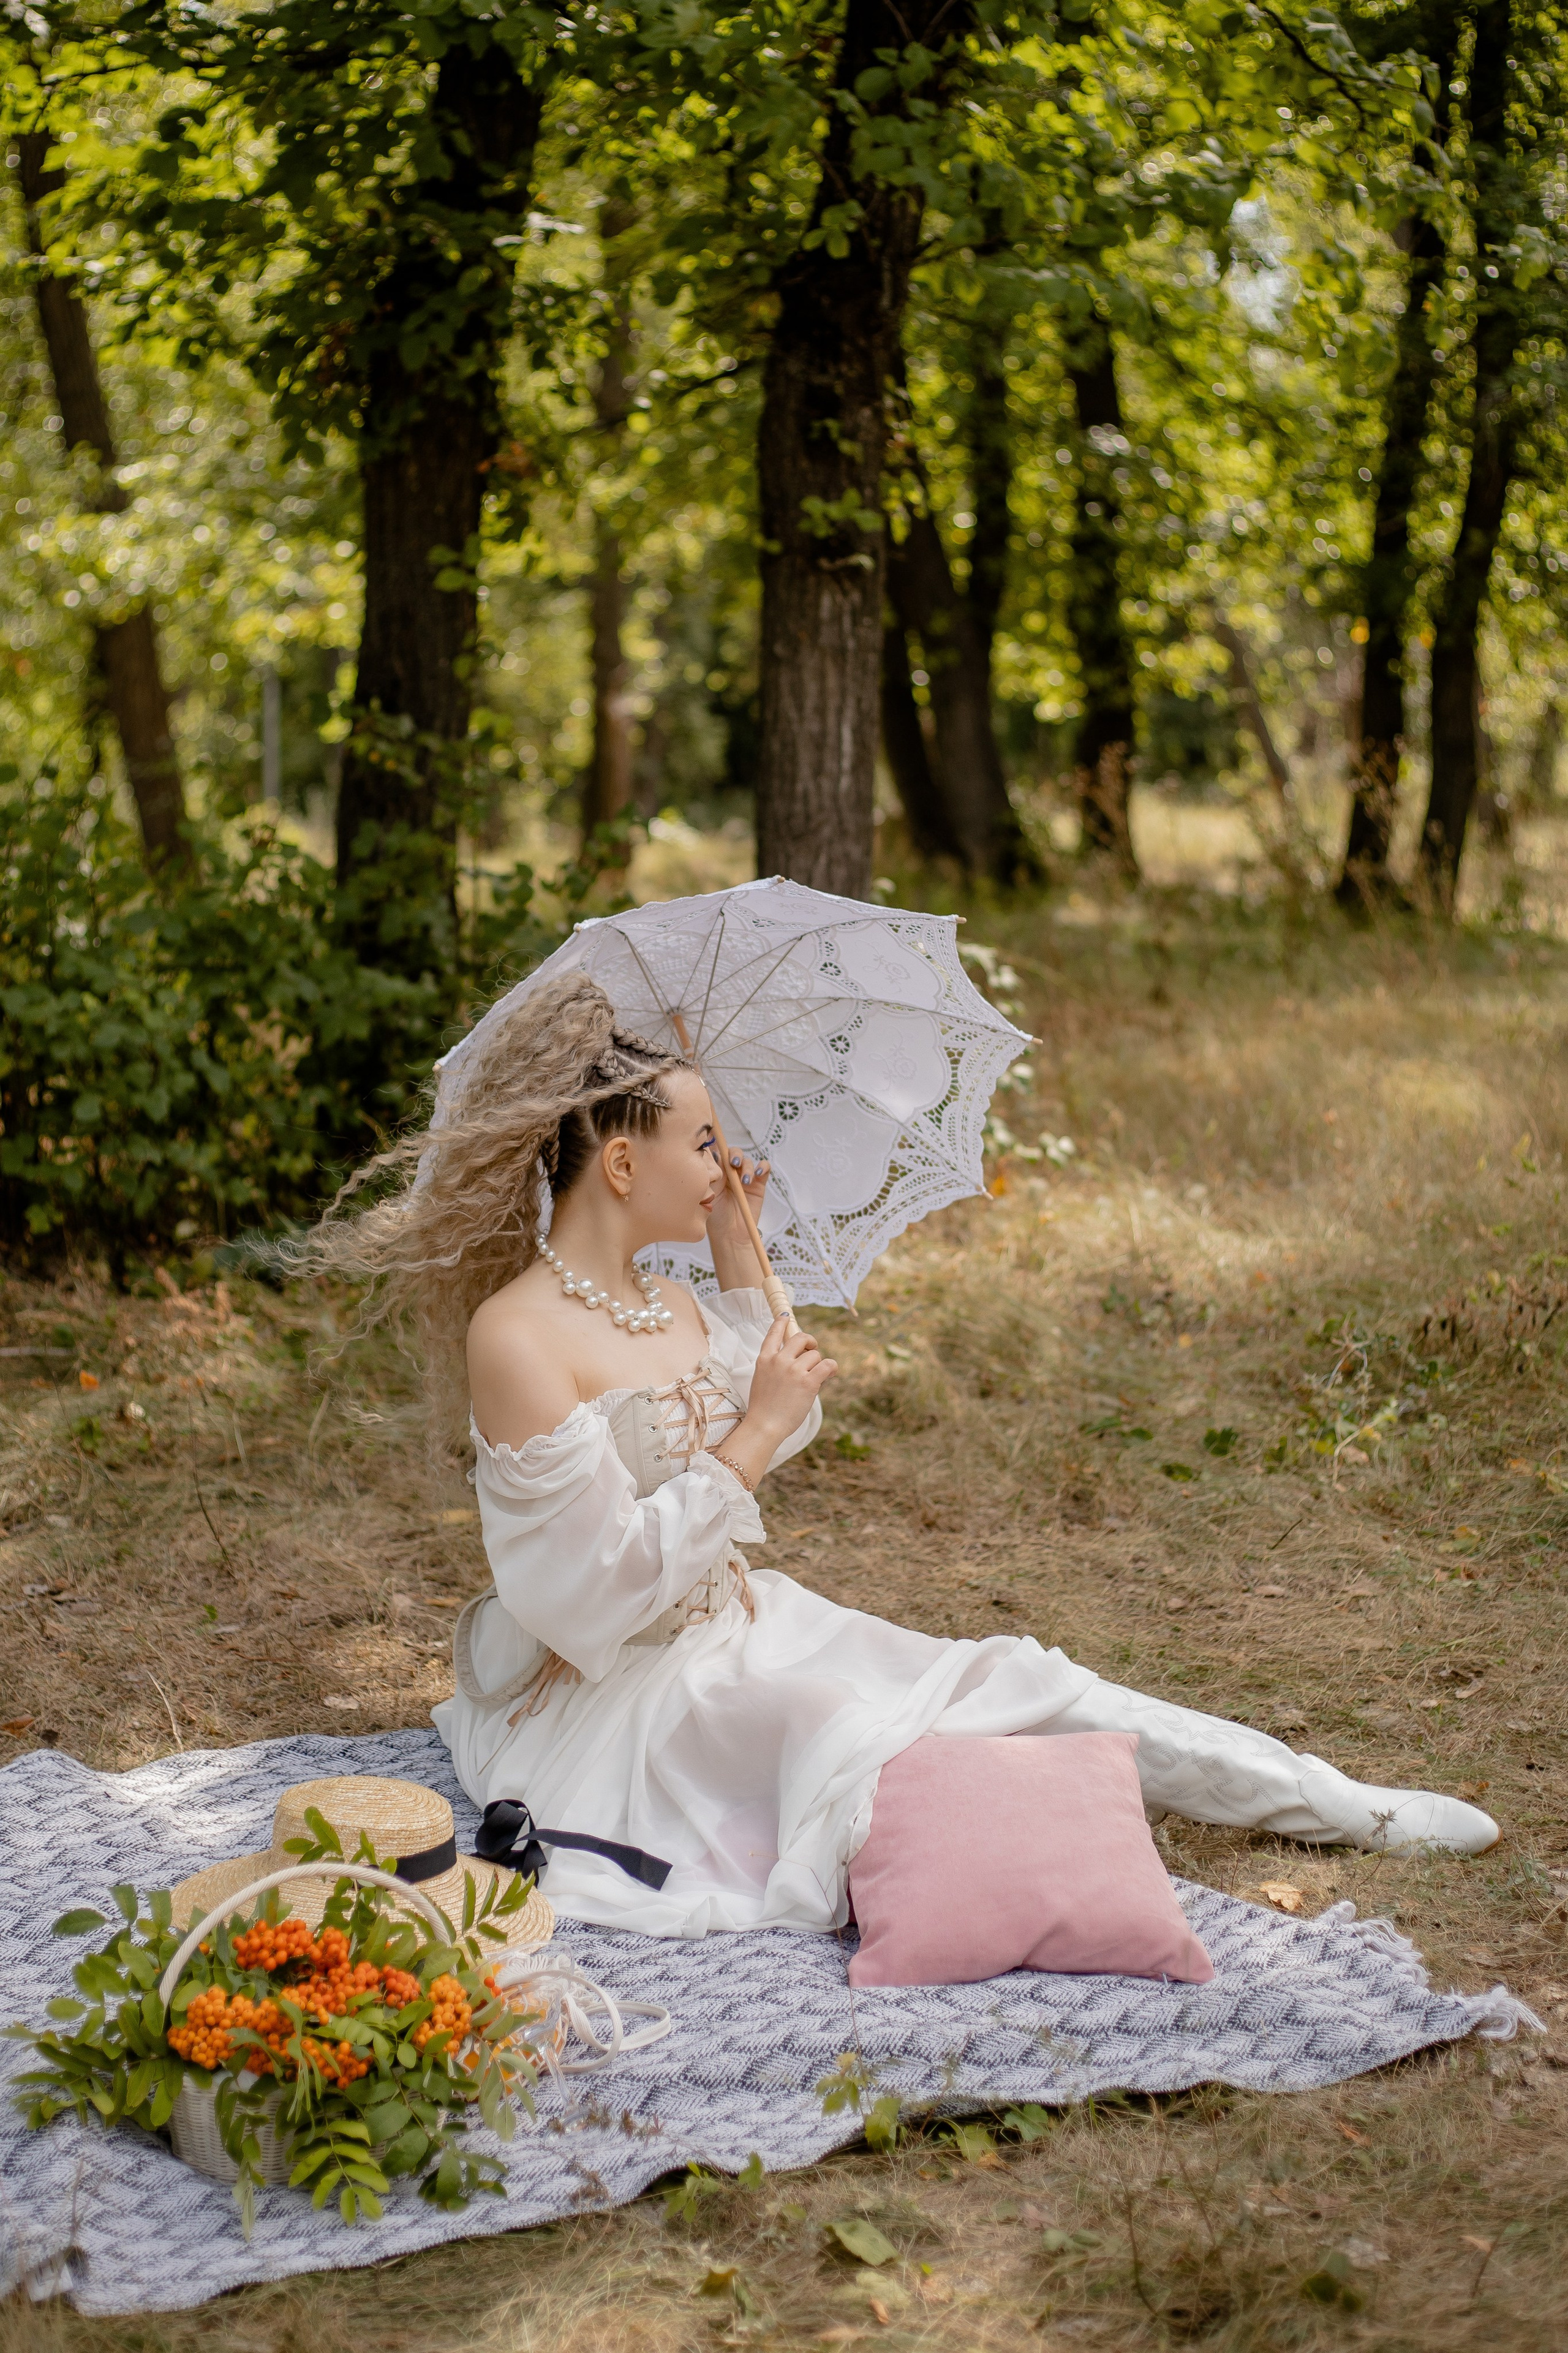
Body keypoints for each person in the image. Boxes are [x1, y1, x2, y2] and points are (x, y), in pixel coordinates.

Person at [301, 973, 1498, 1938]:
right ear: (621, 1164)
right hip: (624, 1692)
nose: (724, 1161)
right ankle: (1031, 1882)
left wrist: (738, 1246)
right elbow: (581, 1596)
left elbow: (789, 1398)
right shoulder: (513, 1334)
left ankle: (1333, 1802)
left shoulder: (665, 1306)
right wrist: (750, 1437)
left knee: (1016, 1678)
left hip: (744, 1623)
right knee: (848, 1731)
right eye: (704, 1143)